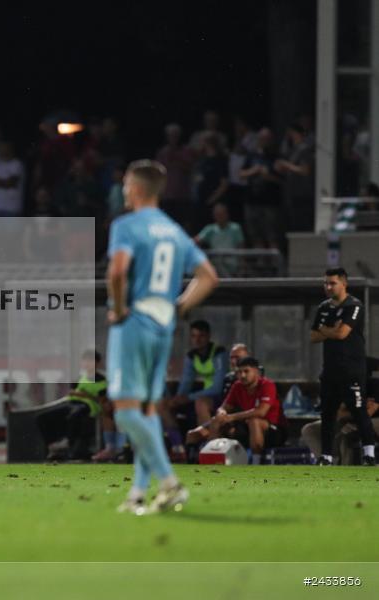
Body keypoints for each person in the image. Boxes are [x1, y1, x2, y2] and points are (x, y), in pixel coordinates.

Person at [107, 159, 219, 514]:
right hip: (164, 324)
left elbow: (118, 271)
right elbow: (209, 277)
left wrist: (120, 308)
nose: (124, 190)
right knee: (148, 412)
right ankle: (139, 492)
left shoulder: (126, 225)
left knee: (125, 413)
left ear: (137, 189)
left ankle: (169, 482)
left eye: (126, 185)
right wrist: (181, 307)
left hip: (135, 320)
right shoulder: (174, 231)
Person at [310, 267, 376, 466]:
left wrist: (325, 330)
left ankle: (369, 454)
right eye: (326, 283)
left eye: (332, 283)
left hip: (352, 370)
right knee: (327, 413)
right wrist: (332, 329)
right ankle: (326, 456)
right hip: (330, 370)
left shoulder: (354, 305)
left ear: (344, 283)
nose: (328, 287)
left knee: (358, 410)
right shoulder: (323, 307)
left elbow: (342, 334)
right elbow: (313, 336)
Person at [185, 357, 287, 463]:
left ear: (256, 371)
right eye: (239, 372)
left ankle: (256, 463)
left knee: (254, 421)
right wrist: (221, 414)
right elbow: (223, 407)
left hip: (274, 430)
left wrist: (232, 417)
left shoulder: (267, 385)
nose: (242, 375)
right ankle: (207, 459)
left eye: (246, 371)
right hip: (246, 428)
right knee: (195, 433)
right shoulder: (237, 386)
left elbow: (261, 412)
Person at [158, 320, 228, 459]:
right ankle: (178, 448)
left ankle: (207, 448)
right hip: (201, 395)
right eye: (193, 336)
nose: (197, 340)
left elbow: (217, 387)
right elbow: (186, 381)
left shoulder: (219, 353)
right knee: (162, 405)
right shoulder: (192, 356)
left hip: (221, 396)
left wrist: (188, 397)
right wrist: (178, 399)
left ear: (208, 336)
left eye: (201, 336)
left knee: (200, 403)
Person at [36, 350, 107, 461]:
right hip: (72, 403)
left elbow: (102, 400)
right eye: (85, 361)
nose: (87, 364)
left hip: (89, 406)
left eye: (91, 361)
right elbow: (72, 391)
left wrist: (85, 395)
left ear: (97, 363)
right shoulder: (80, 378)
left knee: (75, 414)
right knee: (42, 417)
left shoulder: (102, 381)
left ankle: (68, 441)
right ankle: (52, 445)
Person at [195, 202, 245, 276]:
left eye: (222, 214)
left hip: (232, 263)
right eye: (217, 214)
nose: (220, 216)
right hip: (215, 264)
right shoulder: (210, 229)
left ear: (227, 214)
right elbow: (196, 241)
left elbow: (241, 247)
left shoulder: (235, 228)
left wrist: (242, 265)